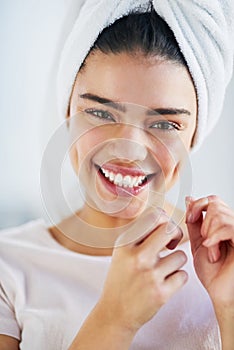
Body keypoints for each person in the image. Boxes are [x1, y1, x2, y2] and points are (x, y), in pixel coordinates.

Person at [0, 1, 234, 349]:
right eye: (100, 112)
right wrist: (115, 318)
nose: (128, 150)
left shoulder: (223, 267)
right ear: (68, 111)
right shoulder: (9, 266)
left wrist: (229, 308)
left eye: (165, 124)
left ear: (194, 135)